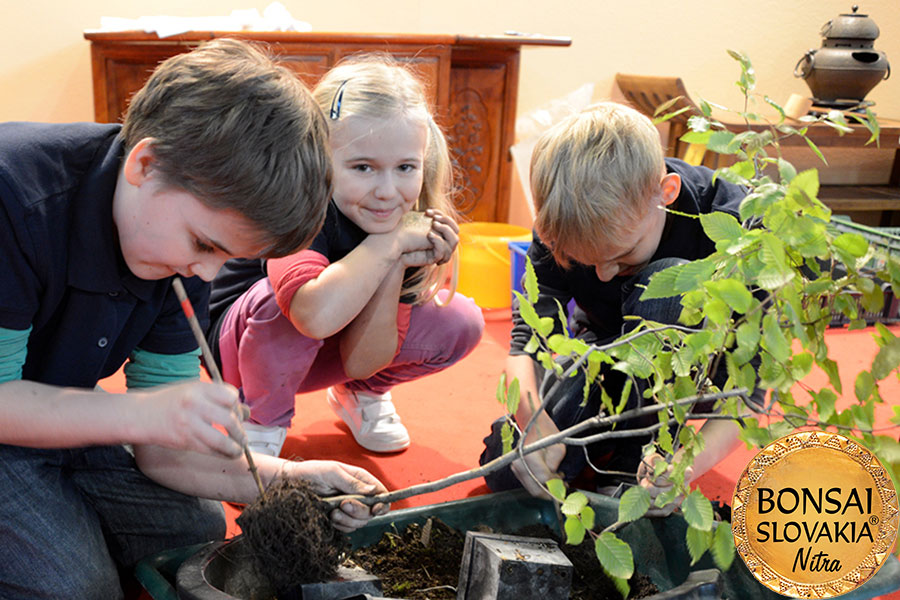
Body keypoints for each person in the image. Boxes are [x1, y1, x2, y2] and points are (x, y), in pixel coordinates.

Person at [0, 39, 389, 600]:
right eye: (204, 244)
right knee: (78, 586)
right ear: (144, 164)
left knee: (196, 533)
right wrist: (138, 415)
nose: (206, 272)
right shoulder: (15, 200)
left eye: (226, 258)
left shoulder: (170, 240)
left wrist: (290, 477)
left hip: (53, 413)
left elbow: (162, 451)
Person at [479, 101, 763, 509]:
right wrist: (533, 424)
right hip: (608, 351)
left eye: (623, 256)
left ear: (666, 194)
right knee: (507, 474)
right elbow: (527, 340)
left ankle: (641, 451)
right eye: (585, 260)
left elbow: (750, 393)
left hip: (699, 371)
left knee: (666, 284)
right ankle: (617, 435)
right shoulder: (563, 220)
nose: (604, 277)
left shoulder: (732, 225)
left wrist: (686, 465)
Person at [208, 55, 484, 458]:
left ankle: (360, 399)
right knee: (283, 301)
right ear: (321, 157)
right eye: (363, 167)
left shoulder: (405, 219)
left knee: (461, 320)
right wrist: (386, 247)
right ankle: (260, 421)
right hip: (244, 349)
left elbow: (361, 360)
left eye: (406, 167)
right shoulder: (302, 204)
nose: (388, 191)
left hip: (325, 343)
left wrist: (396, 266)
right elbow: (312, 316)